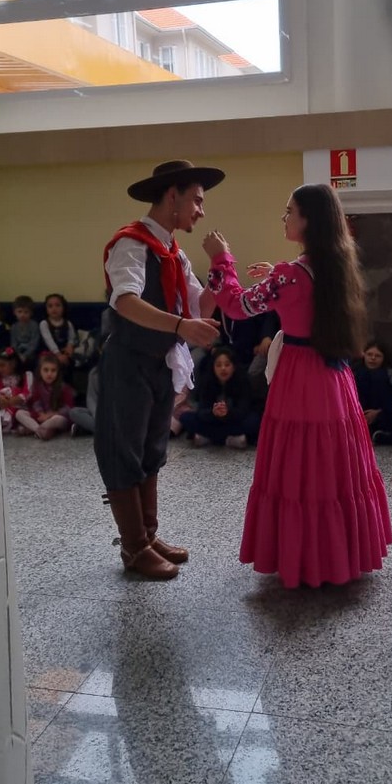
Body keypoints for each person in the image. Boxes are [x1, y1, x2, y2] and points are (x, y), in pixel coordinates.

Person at [203, 182, 392, 589]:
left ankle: (302, 557)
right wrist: (277, 275)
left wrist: (221, 260)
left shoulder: (291, 275)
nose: (284, 218)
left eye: (290, 211)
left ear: (309, 220)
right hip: (333, 376)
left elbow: (236, 305)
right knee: (332, 464)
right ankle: (338, 554)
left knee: (299, 465)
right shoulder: (336, 264)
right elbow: (304, 295)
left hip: (299, 376)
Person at [94, 159, 224, 580]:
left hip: (159, 363)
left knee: (151, 449)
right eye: (197, 200)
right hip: (128, 361)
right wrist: (181, 327)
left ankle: (147, 537)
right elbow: (125, 301)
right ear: (172, 196)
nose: (201, 210)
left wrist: (221, 267)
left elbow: (199, 305)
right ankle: (134, 548)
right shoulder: (131, 244)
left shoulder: (174, 253)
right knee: (124, 452)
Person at [180, 345, 260, 448]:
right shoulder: (208, 382)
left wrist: (227, 413)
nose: (223, 369)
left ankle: (211, 437)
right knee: (185, 417)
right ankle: (230, 438)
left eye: (227, 365)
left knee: (254, 421)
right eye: (218, 365)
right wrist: (213, 413)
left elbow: (243, 410)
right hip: (213, 421)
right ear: (213, 367)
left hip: (233, 421)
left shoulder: (242, 381)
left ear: (233, 366)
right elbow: (201, 411)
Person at [15, 351, 74, 439]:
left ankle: (35, 429)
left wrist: (50, 415)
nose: (49, 374)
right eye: (46, 370)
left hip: (56, 417)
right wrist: (41, 414)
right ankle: (39, 430)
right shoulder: (37, 386)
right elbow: (36, 403)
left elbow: (68, 408)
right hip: (41, 417)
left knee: (57, 419)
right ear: (40, 371)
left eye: (53, 370)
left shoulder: (64, 387)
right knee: (19, 413)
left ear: (58, 372)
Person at [352, 339, 392, 433]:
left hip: (382, 415)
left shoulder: (390, 374)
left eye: (378, 356)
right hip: (357, 414)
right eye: (369, 354)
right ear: (364, 355)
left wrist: (378, 412)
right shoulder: (354, 372)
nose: (373, 358)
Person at [39, 293, 78, 382]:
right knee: (49, 363)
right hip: (49, 352)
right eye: (50, 306)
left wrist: (70, 346)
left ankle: (68, 386)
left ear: (63, 308)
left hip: (64, 351)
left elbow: (72, 338)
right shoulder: (44, 324)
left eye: (57, 305)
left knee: (69, 362)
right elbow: (48, 340)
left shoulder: (68, 323)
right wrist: (58, 354)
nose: (54, 308)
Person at [0, 346, 32, 434]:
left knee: (20, 415)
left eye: (2, 365)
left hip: (22, 407)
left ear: (13, 363)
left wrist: (13, 400)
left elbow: (28, 393)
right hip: (5, 406)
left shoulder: (26, 375)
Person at [10, 294, 40, 370]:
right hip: (17, 352)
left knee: (33, 359)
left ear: (31, 313)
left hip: (31, 352)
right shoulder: (14, 326)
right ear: (14, 312)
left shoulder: (34, 325)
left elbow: (34, 342)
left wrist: (25, 355)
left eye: (26, 312)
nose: (22, 315)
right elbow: (13, 343)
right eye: (19, 312)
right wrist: (18, 354)